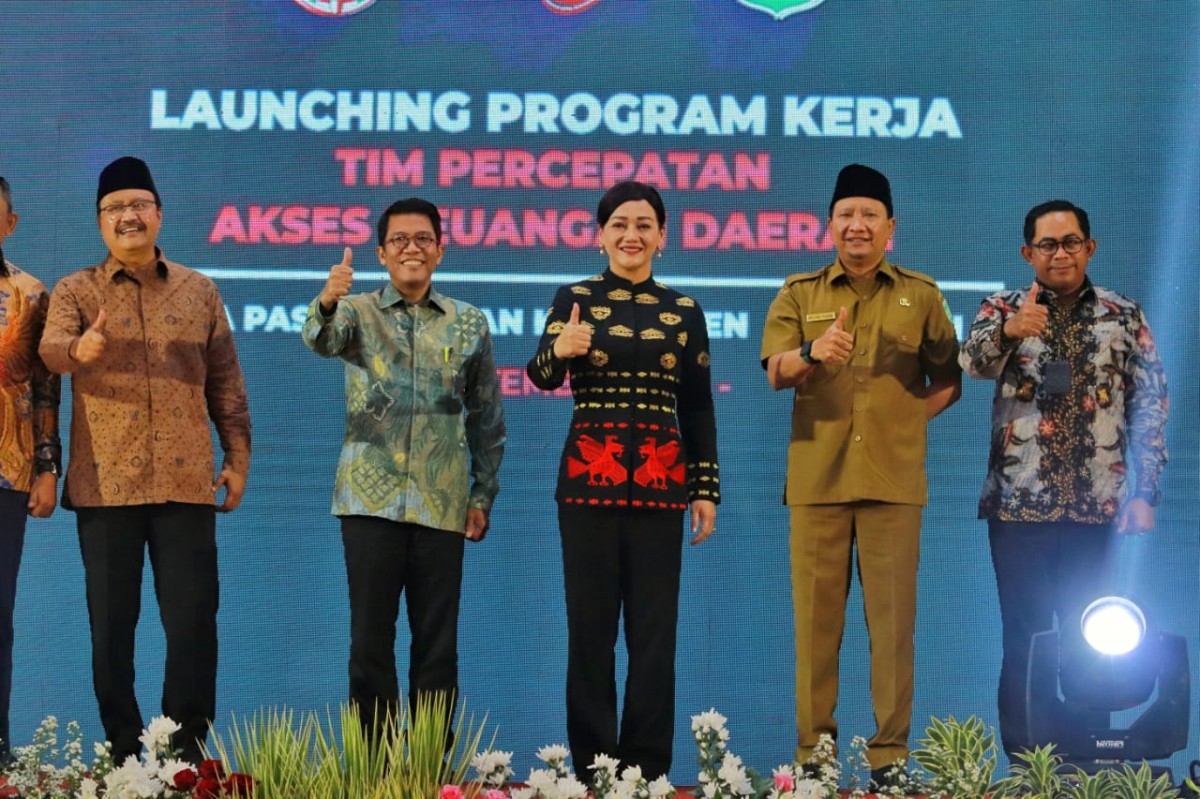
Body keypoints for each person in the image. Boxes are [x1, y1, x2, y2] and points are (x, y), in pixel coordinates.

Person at [38, 157, 250, 764]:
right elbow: (51, 353)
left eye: (138, 205)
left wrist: (236, 457)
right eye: (114, 209)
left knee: (192, 629)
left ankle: (183, 761)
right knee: (112, 635)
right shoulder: (77, 290)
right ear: (100, 222)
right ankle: (127, 762)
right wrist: (82, 347)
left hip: (186, 485)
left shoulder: (199, 290)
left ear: (159, 213)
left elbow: (227, 386)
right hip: (106, 488)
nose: (127, 216)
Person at [759, 164, 961, 790]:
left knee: (893, 629)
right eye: (847, 214)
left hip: (892, 486)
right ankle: (815, 760)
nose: (858, 225)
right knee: (817, 628)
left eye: (870, 215)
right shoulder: (800, 293)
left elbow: (949, 376)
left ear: (890, 228)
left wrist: (906, 419)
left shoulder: (920, 295)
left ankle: (889, 760)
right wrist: (815, 354)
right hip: (818, 481)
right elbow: (776, 370)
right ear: (830, 226)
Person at [959, 199, 1168, 758]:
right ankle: (1029, 765)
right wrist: (1010, 330)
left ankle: (1087, 759)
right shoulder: (1001, 307)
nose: (1060, 254)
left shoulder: (1123, 314)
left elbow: (1150, 405)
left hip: (1098, 507)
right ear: (1028, 253)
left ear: (1089, 247)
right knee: (1025, 638)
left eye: (1071, 242)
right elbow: (970, 362)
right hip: (1018, 508)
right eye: (1047, 245)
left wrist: (1143, 492)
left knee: (1093, 638)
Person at [526, 180, 719, 781]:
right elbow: (539, 377)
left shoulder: (685, 311)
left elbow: (698, 406)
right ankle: (594, 772)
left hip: (662, 487)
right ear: (601, 234)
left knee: (654, 637)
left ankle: (648, 776)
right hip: (588, 488)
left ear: (663, 236)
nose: (631, 235)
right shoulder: (574, 297)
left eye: (644, 225)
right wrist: (561, 347)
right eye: (619, 224)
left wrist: (705, 486)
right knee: (591, 634)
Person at [301, 197, 506, 738]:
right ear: (381, 253)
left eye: (423, 239)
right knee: (370, 643)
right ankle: (372, 774)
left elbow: (487, 416)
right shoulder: (356, 312)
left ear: (441, 249)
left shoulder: (469, 323)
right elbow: (320, 340)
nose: (411, 248)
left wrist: (482, 496)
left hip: (442, 502)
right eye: (399, 240)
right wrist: (326, 299)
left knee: (437, 648)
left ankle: (429, 773)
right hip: (369, 503)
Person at [0, 176, 61, 760]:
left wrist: (47, 467)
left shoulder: (31, 294)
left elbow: (46, 389)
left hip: (6, 473)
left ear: (10, 224)